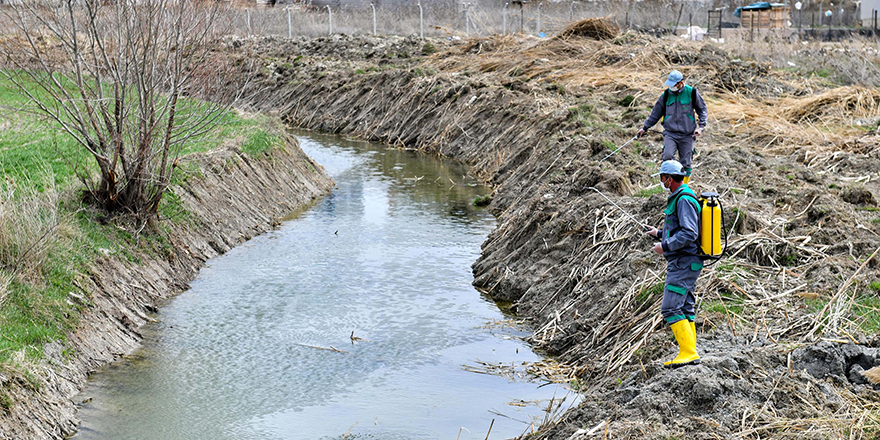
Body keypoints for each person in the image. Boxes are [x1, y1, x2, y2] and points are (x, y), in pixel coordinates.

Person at [644, 160, 702, 368]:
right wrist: (658, 234)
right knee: (685, 306)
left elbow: (689, 233)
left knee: (670, 308)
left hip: (683, 261)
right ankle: (690, 352)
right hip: (687, 261)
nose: (662, 182)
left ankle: (688, 352)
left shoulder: (683, 199)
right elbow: (681, 229)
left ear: (670, 178)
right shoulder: (681, 197)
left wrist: (664, 246)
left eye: (662, 178)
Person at [637, 70, 708, 184]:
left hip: (687, 135)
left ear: (680, 83)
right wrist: (645, 127)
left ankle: (683, 187)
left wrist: (701, 127)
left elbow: (702, 110)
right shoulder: (665, 95)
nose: (671, 87)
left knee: (686, 162)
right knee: (668, 157)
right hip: (671, 133)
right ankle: (670, 184)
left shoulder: (692, 93)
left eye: (673, 85)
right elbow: (655, 113)